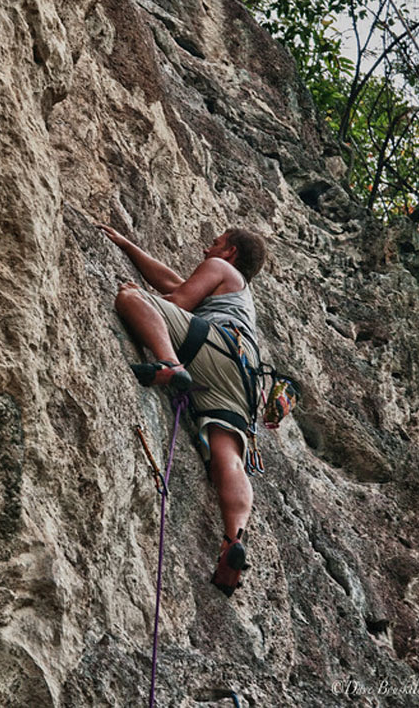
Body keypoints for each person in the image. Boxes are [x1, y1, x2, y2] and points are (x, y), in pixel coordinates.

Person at [98, 224, 266, 596]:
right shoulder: (237, 293)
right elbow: (172, 281)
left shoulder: (222, 269)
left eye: (216, 242)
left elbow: (176, 301)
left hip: (212, 344)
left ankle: (170, 364)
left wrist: (142, 291)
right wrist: (127, 244)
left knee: (131, 296)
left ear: (231, 252)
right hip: (244, 375)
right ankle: (232, 539)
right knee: (228, 456)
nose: (208, 247)